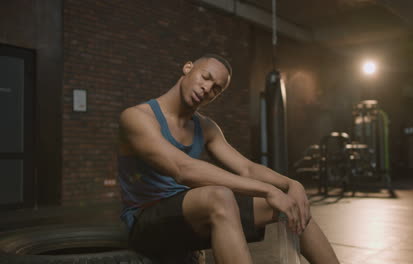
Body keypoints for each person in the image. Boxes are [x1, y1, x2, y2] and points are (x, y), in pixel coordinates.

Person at [117, 54, 339, 264]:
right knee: (219, 196)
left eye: (216, 89)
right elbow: (183, 169)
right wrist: (268, 190)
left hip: (190, 216)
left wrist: (291, 184)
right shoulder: (137, 117)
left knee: (294, 206)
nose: (206, 89)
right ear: (188, 68)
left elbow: (248, 168)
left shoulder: (206, 127)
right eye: (205, 77)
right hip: (145, 222)